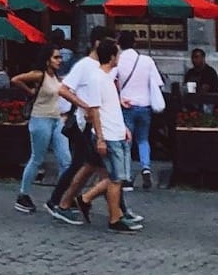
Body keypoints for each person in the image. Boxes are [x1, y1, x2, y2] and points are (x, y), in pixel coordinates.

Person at [74, 37, 138, 232]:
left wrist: (122, 127)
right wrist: (100, 138)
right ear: (111, 57)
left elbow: (109, 107)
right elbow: (94, 109)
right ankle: (113, 218)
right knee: (116, 179)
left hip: (115, 132)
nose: (119, 57)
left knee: (115, 177)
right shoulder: (97, 78)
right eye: (117, 53)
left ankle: (88, 200)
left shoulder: (107, 78)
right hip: (108, 136)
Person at [45, 36, 105, 224]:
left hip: (92, 122)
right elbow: (64, 90)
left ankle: (61, 200)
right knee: (90, 165)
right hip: (82, 124)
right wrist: (84, 105)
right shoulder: (85, 65)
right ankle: (64, 201)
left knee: (83, 164)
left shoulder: (99, 68)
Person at [11, 45, 72, 214]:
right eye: (56, 57)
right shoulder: (40, 75)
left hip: (57, 119)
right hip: (40, 119)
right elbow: (16, 79)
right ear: (47, 60)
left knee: (66, 159)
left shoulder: (56, 77)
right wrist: (30, 91)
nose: (60, 60)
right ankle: (23, 195)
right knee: (37, 158)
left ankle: (61, 196)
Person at [113, 31, 164, 191]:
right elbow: (158, 83)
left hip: (126, 104)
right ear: (135, 43)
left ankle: (127, 177)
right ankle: (146, 167)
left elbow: (111, 81)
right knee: (143, 139)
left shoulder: (118, 61)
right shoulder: (146, 60)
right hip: (144, 105)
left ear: (119, 44)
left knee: (126, 142)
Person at [180, 47, 218, 115]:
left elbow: (205, 89)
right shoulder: (190, 72)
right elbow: (186, 87)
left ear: (203, 58)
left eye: (196, 57)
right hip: (191, 102)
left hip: (208, 104)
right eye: (193, 57)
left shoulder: (209, 72)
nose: (194, 60)